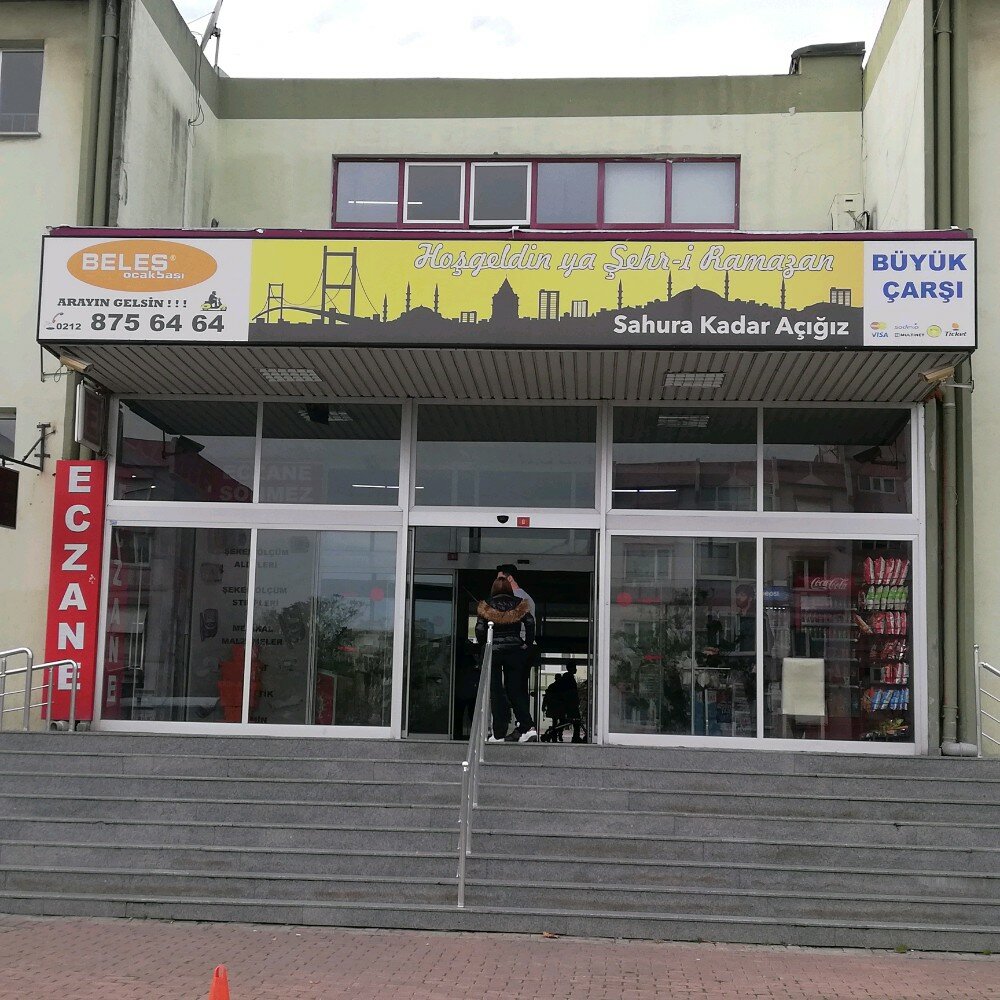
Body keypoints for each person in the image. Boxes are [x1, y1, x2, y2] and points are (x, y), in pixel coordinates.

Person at [476, 576, 538, 742]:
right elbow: (530, 622)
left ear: (494, 589)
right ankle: (527, 726)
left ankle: (499, 732)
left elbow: (480, 629)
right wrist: (527, 643)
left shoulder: (486, 605)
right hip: (515, 650)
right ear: (510, 589)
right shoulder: (519, 603)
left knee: (496, 691)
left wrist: (484, 645)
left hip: (493, 651)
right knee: (516, 689)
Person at [543, 664, 583, 742]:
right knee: (576, 720)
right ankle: (574, 737)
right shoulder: (568, 679)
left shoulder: (568, 678)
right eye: (574, 668)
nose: (576, 669)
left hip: (566, 704)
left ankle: (554, 735)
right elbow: (570, 692)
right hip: (569, 704)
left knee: (568, 721)